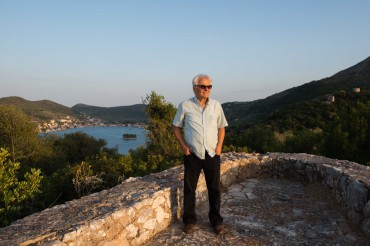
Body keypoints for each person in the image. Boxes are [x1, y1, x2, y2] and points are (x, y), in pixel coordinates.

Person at [172, 74, 228, 235]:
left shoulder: (216, 105)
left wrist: (219, 147)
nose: (207, 89)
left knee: (214, 188)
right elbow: (175, 127)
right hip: (193, 154)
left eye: (209, 86)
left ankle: (216, 221)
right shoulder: (185, 105)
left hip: (212, 153)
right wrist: (183, 146)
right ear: (194, 87)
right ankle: (189, 221)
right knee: (189, 188)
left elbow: (222, 127)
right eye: (204, 86)